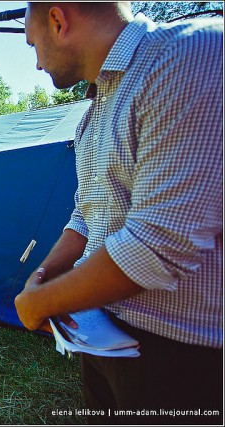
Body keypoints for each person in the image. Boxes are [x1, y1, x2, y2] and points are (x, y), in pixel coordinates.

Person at [14, 2, 223, 425]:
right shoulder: (91, 115)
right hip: (105, 338)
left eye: (33, 44)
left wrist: (41, 302)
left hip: (182, 357)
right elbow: (86, 215)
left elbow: (158, 247)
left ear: (58, 20)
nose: (35, 64)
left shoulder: (190, 53)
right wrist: (42, 276)